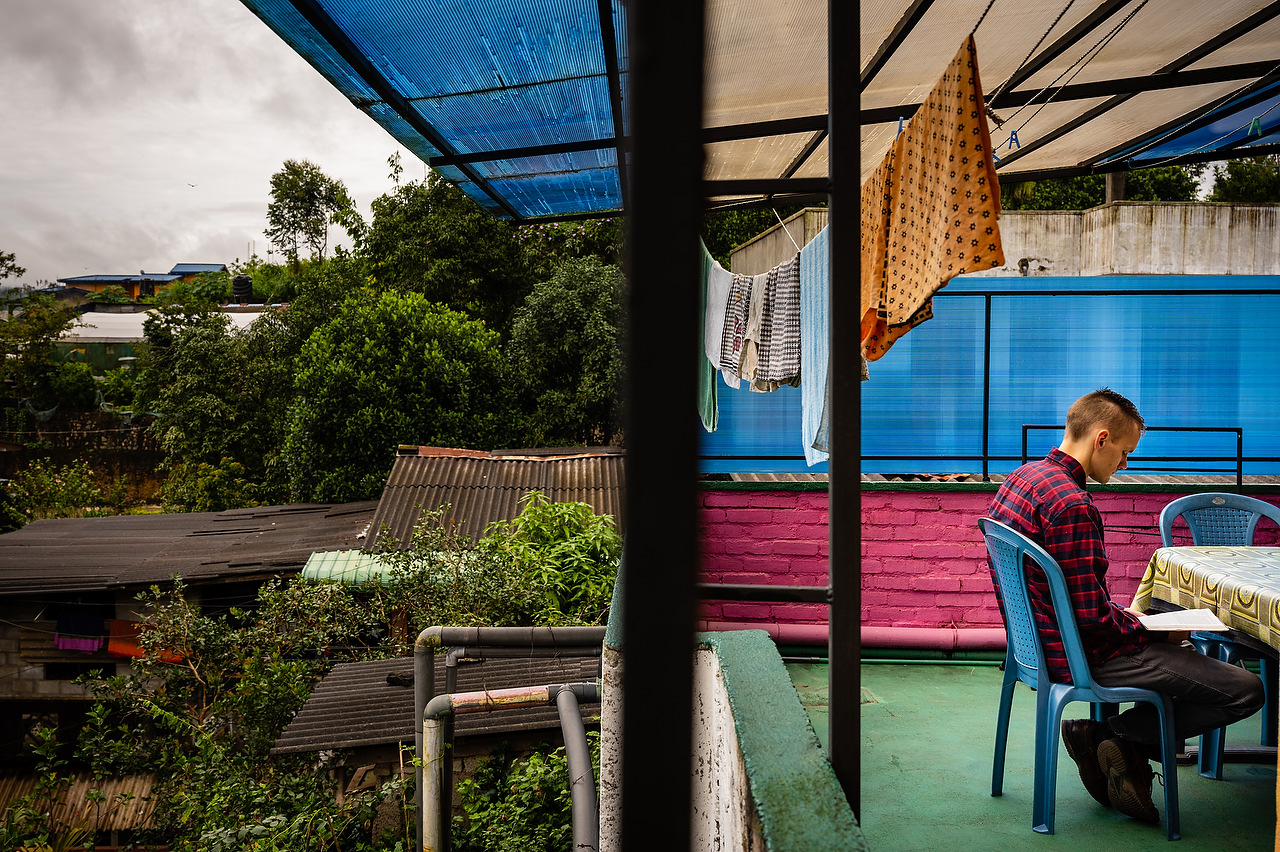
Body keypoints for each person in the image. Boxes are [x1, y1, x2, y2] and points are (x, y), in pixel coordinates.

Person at [987, 388, 1264, 825]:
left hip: (1036, 647)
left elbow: (1077, 601)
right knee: (1247, 690)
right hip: (1083, 656)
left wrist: (1132, 619)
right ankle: (1116, 737)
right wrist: (1152, 630)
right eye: (1124, 452)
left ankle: (1107, 741)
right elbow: (1092, 619)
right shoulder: (1072, 505)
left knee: (1178, 652)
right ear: (1101, 439)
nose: (1125, 464)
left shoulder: (1021, 479)